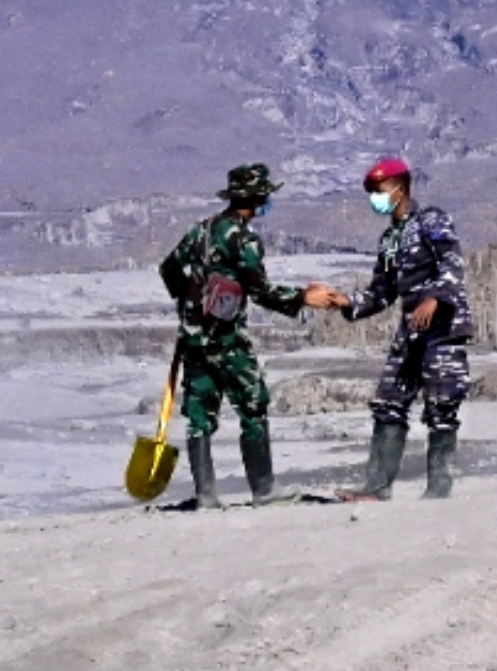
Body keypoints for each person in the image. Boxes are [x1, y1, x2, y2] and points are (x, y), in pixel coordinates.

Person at [158, 165, 342, 509]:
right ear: (258, 199)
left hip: (194, 340)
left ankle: (206, 496)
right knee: (252, 405)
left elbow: (168, 269)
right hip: (227, 340)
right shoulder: (243, 240)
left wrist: (190, 304)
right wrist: (304, 297)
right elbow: (261, 291)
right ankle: (263, 490)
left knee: (200, 416)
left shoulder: (201, 230)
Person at [341, 156, 470, 499]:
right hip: (410, 331)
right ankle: (377, 486)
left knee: (442, 406)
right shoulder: (389, 241)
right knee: (389, 402)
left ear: (400, 188)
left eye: (379, 189)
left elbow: (452, 264)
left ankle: (439, 489)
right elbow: (380, 294)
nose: (375, 197)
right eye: (371, 191)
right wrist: (343, 303)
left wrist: (435, 297)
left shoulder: (431, 220)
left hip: (442, 328)